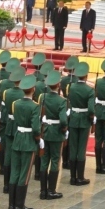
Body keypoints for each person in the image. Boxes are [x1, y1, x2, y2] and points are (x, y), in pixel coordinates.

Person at [8, 75, 40, 209]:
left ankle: (11, 206)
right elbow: (36, 128)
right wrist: (38, 138)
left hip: (18, 138)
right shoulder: (34, 106)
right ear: (33, 89)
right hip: (28, 140)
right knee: (24, 174)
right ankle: (20, 206)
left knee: (15, 171)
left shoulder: (16, 103)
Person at [39, 71, 68, 199]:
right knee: (55, 160)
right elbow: (63, 120)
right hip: (56, 132)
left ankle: (43, 191)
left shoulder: (42, 97)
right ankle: (51, 190)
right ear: (58, 85)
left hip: (45, 131)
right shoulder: (62, 101)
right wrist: (64, 129)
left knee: (44, 160)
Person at [66, 63, 93, 186]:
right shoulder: (89, 90)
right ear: (86, 76)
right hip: (83, 120)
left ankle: (72, 177)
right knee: (81, 149)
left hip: (73, 118)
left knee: (73, 147)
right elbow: (91, 110)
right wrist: (92, 119)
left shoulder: (70, 87)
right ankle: (80, 177)